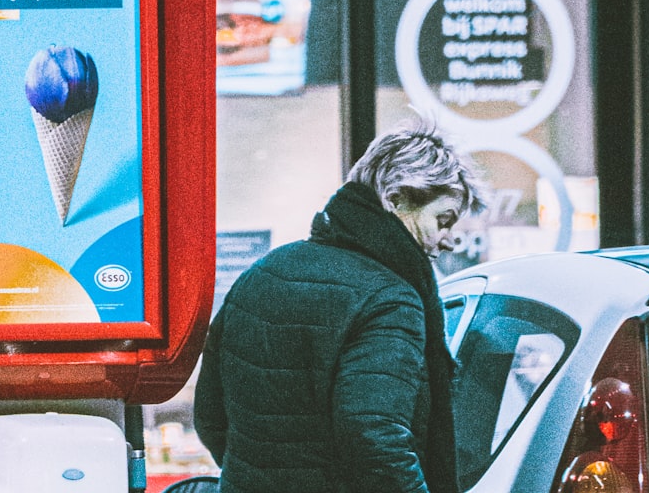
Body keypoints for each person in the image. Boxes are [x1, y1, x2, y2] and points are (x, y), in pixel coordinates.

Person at [194, 119, 485, 493]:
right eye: (442, 220)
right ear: (395, 199)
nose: (447, 241)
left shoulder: (267, 269)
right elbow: (375, 436)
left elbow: (210, 414)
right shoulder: (390, 299)